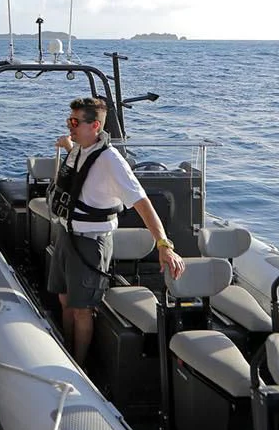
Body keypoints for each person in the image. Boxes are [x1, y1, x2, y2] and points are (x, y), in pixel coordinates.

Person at [47, 96, 186, 362]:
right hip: (67, 235)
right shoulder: (79, 148)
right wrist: (67, 146)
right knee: (65, 299)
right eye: (69, 121)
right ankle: (65, 349)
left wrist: (164, 245)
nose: (70, 127)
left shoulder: (112, 161)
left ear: (95, 126)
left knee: (82, 310)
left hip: (90, 243)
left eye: (75, 122)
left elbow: (142, 203)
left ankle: (80, 364)